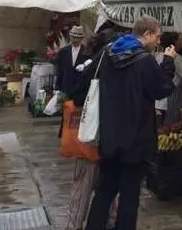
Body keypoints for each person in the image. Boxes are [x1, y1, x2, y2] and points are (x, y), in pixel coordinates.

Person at [84, 16, 176, 230]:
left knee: (104, 191)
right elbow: (162, 88)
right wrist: (168, 61)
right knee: (129, 195)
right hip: (136, 140)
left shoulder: (108, 53)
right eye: (157, 37)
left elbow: (87, 76)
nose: (158, 42)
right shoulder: (144, 60)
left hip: (109, 136)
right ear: (147, 34)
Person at [64, 32, 115, 230]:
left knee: (83, 185)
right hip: (106, 137)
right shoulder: (108, 66)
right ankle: (108, 221)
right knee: (107, 185)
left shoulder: (92, 66)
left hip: (90, 135)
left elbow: (77, 97)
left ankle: (75, 224)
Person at [154, 34, 182, 128]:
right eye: (179, 40)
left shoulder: (159, 55)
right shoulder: (176, 57)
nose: (181, 43)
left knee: (159, 128)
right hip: (169, 101)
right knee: (169, 128)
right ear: (174, 42)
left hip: (157, 101)